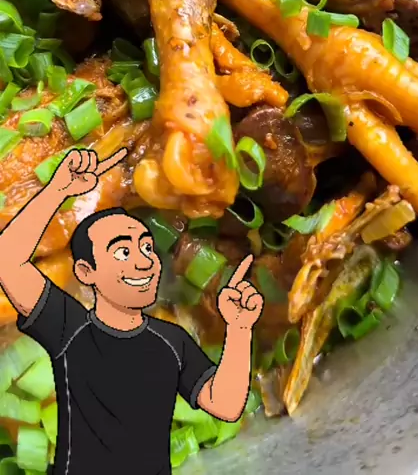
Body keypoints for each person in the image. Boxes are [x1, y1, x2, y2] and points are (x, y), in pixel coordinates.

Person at [0, 148, 264, 475]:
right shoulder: (69, 328)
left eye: (147, 247)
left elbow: (225, 403)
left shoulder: (170, 340)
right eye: (123, 252)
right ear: (86, 272)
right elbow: (8, 262)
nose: (143, 262)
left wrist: (239, 328)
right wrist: (56, 191)